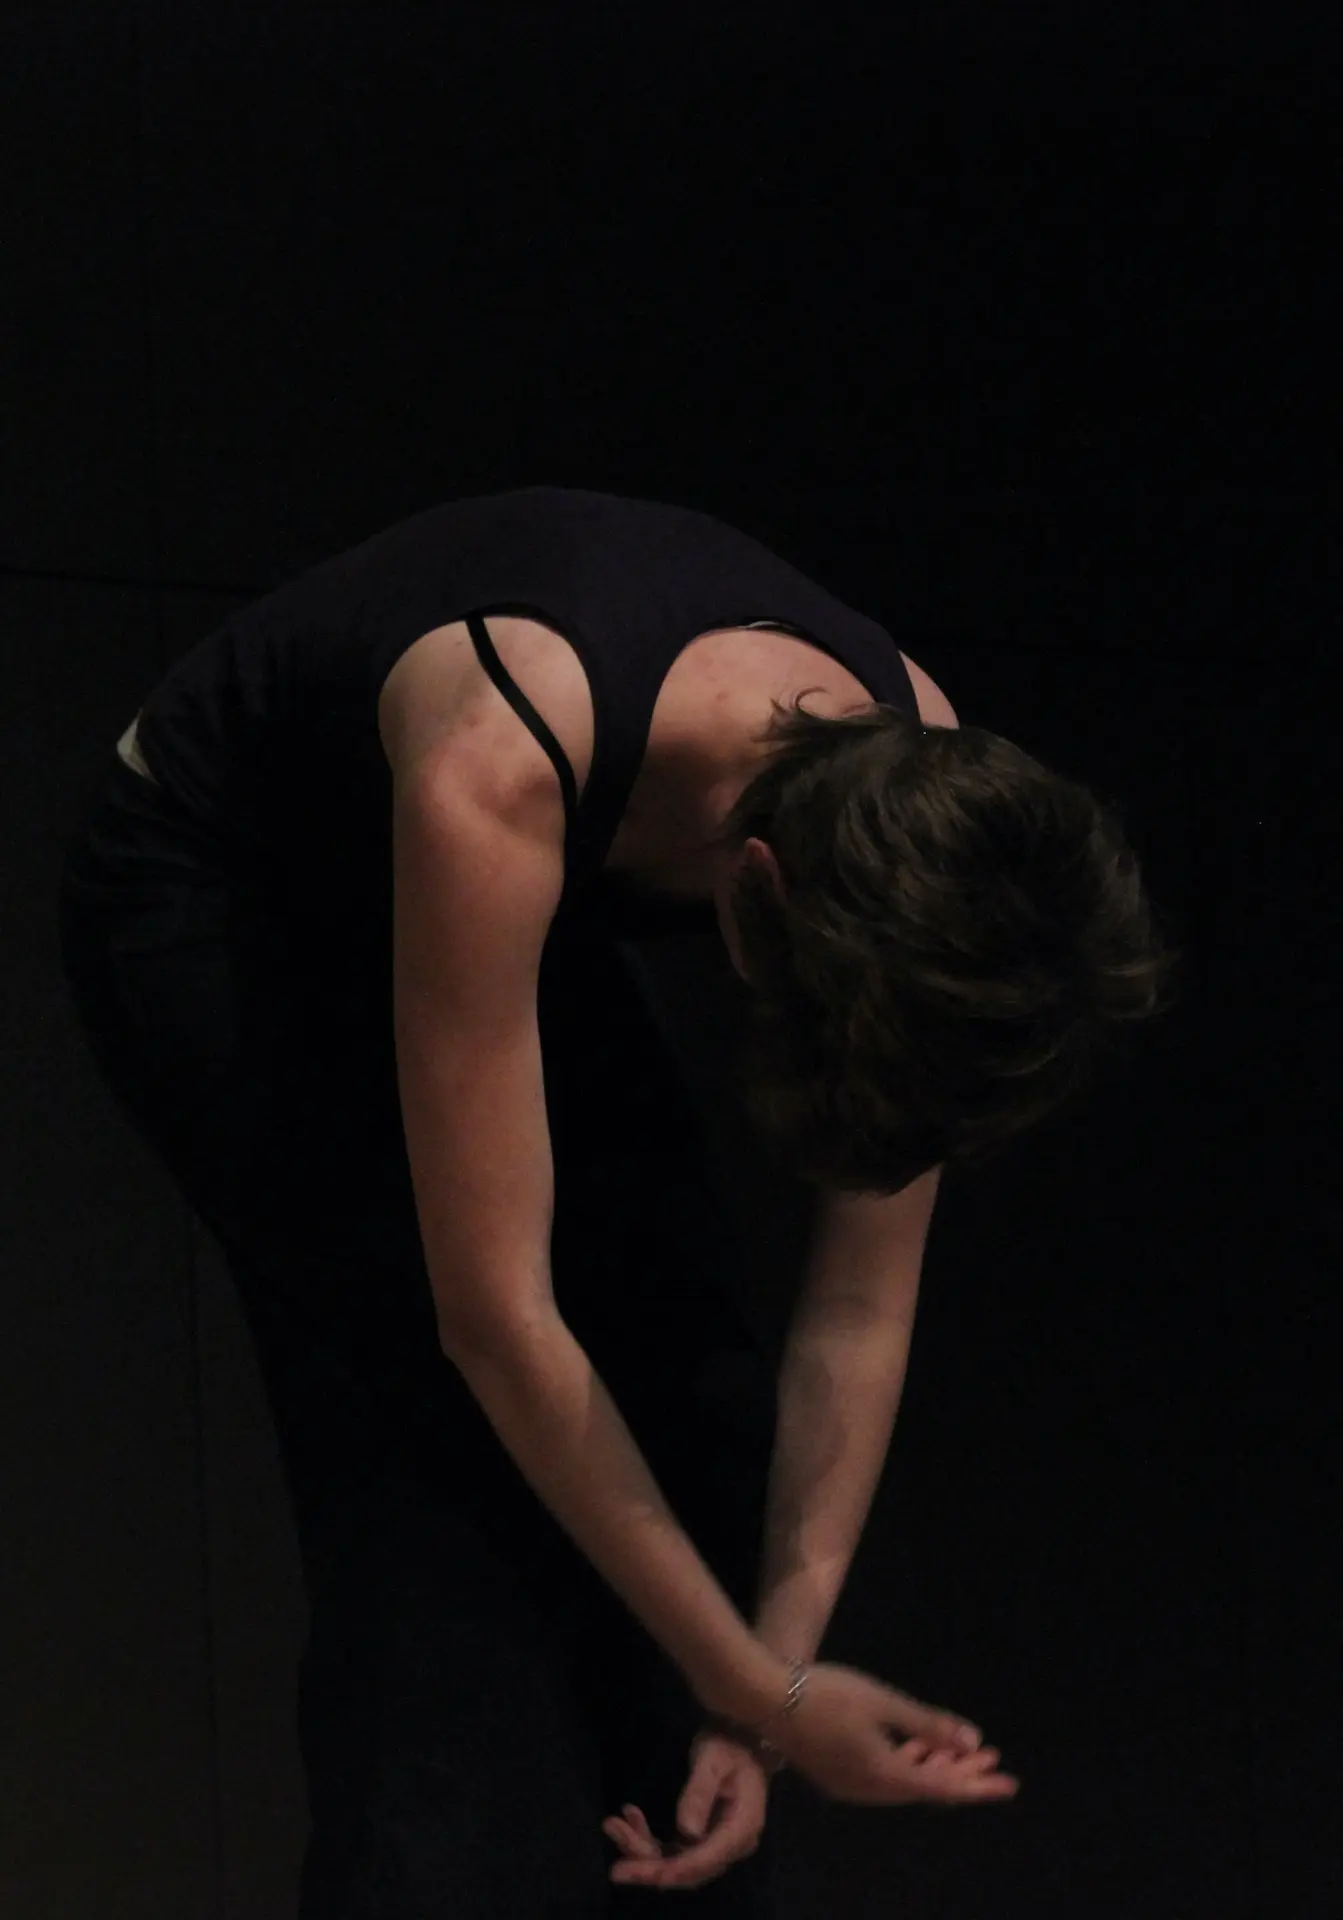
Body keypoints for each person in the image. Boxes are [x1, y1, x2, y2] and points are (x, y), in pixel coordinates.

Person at [57, 484, 1177, 1913]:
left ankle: (676, 1854)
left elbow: (855, 1310)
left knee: (690, 1373)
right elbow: (498, 1319)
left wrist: (762, 1688)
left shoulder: (931, 808)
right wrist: (761, 1689)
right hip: (227, 884)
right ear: (754, 894)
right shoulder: (503, 758)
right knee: (440, 1462)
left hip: (515, 877)